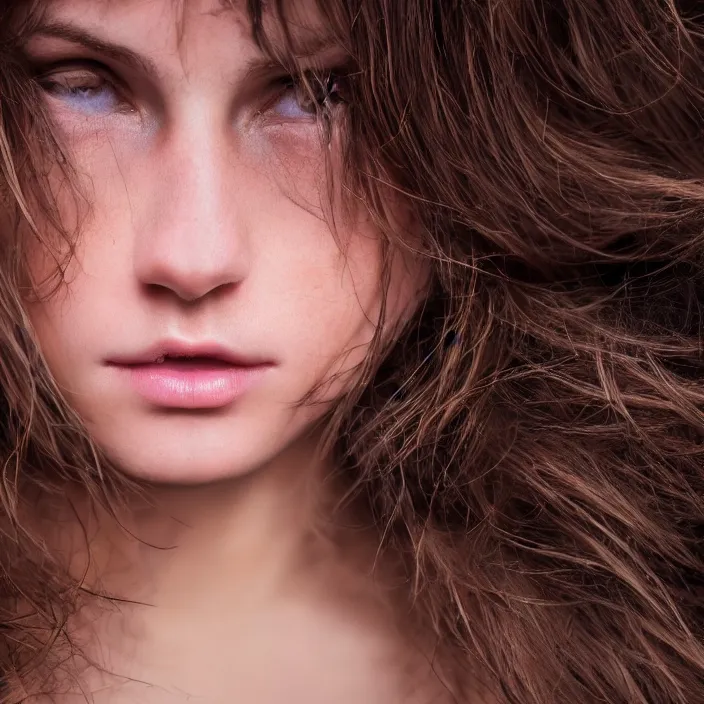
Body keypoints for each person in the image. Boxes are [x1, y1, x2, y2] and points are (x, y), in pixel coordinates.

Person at [0, 0, 703, 701]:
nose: (193, 258)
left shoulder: (655, 648)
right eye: (80, 83)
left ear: (480, 134)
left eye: (316, 93)